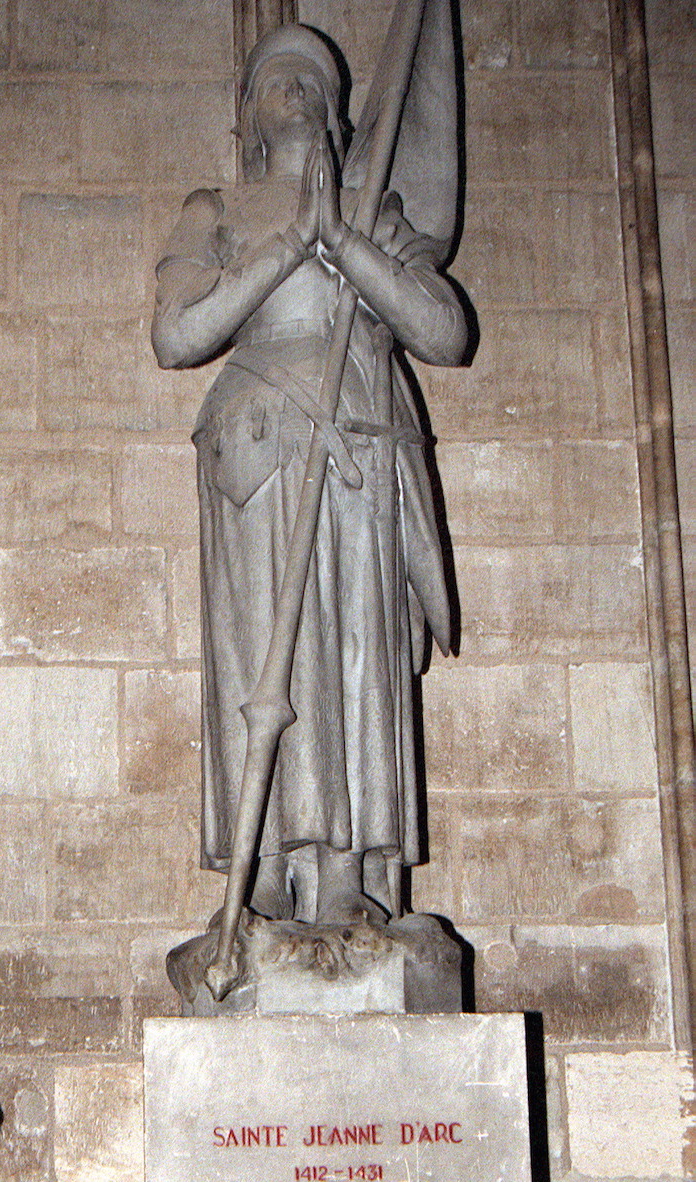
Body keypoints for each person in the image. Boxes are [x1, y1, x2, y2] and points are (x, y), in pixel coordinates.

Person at [152, 24, 467, 931]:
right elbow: (177, 335)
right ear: (248, 115)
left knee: (356, 654)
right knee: (262, 659)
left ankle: (343, 872)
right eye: (274, 78)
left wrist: (342, 240)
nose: (294, 87)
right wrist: (287, 247)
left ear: (336, 116)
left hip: (360, 451)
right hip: (256, 454)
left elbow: (443, 332)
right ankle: (256, 869)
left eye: (311, 81)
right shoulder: (217, 208)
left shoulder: (378, 215)